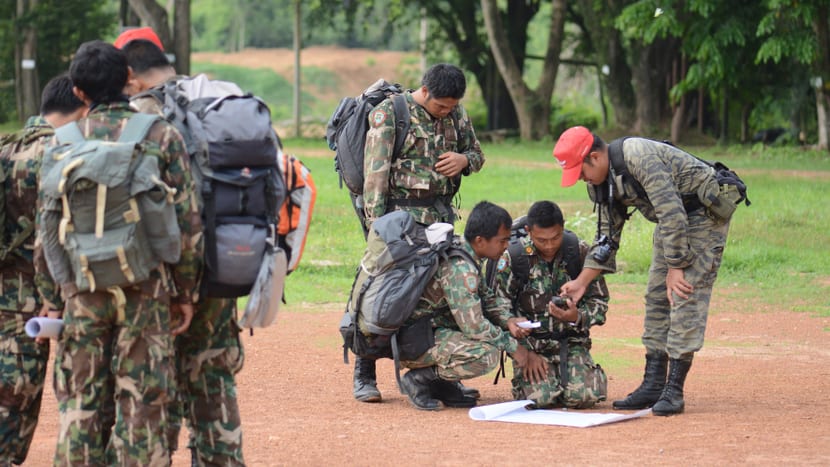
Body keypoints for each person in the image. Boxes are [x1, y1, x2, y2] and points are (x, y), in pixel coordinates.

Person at [38, 40, 200, 465]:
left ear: (77, 91)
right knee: (143, 406)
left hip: (83, 289)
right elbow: (187, 221)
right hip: (145, 289)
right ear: (129, 80)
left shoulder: (61, 141)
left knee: (80, 406)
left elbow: (47, 228)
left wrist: (59, 295)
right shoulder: (161, 134)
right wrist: (184, 292)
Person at [119, 35, 247, 466]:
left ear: (130, 76)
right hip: (227, 258)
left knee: (158, 378)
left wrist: (181, 290)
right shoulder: (214, 100)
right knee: (214, 379)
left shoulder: (142, 117)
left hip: (167, 275)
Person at [552, 126, 733, 416]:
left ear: (595, 157)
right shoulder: (600, 182)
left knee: (683, 293)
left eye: (581, 171)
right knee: (656, 295)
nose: (581, 179)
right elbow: (607, 238)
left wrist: (676, 266)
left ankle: (673, 390)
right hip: (672, 222)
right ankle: (653, 383)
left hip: (702, 214)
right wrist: (582, 282)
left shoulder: (639, 157)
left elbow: (672, 212)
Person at [356, 63, 486, 403]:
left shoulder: (457, 115)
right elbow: (375, 173)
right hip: (398, 221)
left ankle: (440, 374)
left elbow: (477, 155)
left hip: (440, 218)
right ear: (425, 91)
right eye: (441, 106)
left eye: (452, 107)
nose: (446, 112)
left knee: (439, 293)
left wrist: (463, 160)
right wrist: (377, 228)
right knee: (382, 292)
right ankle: (364, 370)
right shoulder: (391, 113)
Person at [0, 73, 85, 467]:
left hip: (5, 292)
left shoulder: (6, 146)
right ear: (81, 107)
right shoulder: (63, 153)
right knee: (16, 399)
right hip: (40, 300)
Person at [398, 201, 547, 411]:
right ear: (480, 240)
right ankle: (420, 379)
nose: (506, 246)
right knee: (486, 354)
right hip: (415, 341)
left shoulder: (466, 253)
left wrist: (509, 320)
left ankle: (442, 383)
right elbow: (474, 326)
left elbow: (487, 299)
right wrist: (515, 348)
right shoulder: (461, 268)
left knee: (487, 340)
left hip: (428, 333)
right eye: (502, 240)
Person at [491, 201, 609, 409]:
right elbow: (497, 306)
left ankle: (577, 372)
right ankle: (532, 380)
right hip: (532, 347)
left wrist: (577, 317)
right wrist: (514, 330)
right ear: (528, 231)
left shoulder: (579, 253)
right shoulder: (515, 258)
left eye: (555, 237)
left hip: (571, 343)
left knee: (584, 397)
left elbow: (599, 302)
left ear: (563, 227)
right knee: (540, 400)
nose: (549, 245)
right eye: (541, 240)